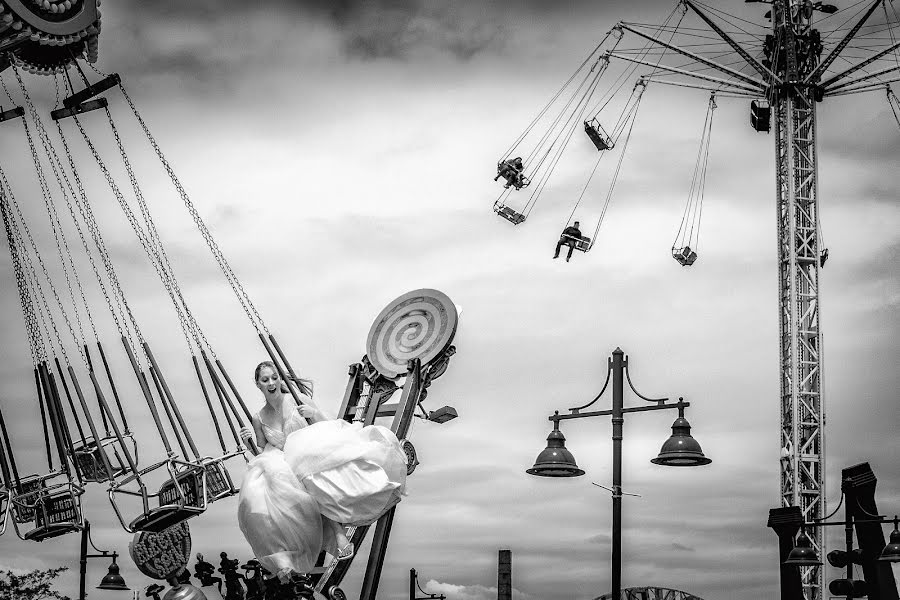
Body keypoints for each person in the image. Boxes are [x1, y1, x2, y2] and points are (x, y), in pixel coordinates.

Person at [237, 361, 408, 584]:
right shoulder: (258, 417)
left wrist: (313, 412)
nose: (271, 383)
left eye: (274, 377)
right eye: (265, 379)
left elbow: (327, 426)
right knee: (258, 492)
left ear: (280, 379)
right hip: (281, 460)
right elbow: (260, 448)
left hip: (310, 451)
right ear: (258, 384)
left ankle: (337, 533)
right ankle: (283, 555)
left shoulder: (297, 398)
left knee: (302, 470)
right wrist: (246, 439)